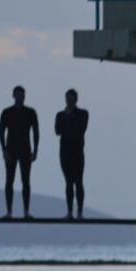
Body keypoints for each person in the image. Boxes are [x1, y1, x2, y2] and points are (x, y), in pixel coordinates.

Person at [0, 86, 39, 219]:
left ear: (24, 96)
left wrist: (35, 150)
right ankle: (9, 211)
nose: (20, 97)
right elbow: (1, 132)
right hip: (11, 150)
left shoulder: (30, 112)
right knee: (9, 180)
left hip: (25, 150)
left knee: (25, 181)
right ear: (13, 95)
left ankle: (26, 212)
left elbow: (36, 132)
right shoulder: (7, 112)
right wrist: (4, 150)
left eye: (22, 95)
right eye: (18, 94)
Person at [55, 89, 89, 220]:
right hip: (64, 153)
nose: (69, 101)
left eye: (71, 98)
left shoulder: (83, 113)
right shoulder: (60, 115)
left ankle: (79, 212)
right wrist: (67, 118)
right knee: (68, 182)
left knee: (79, 181)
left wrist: (69, 118)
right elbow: (57, 130)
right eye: (67, 98)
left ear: (76, 99)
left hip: (77, 153)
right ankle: (69, 212)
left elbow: (81, 128)